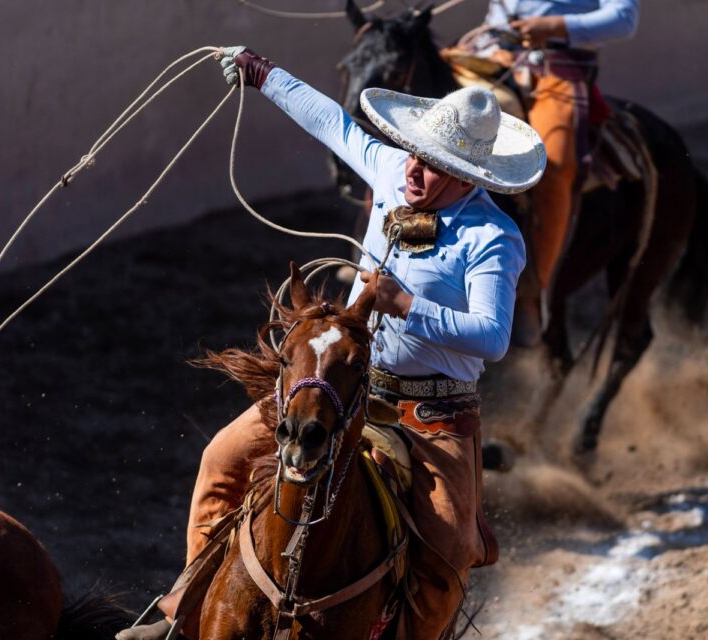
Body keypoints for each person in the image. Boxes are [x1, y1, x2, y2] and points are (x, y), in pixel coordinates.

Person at [119, 46, 544, 640]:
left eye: (434, 166)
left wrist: (407, 306)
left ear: (469, 177)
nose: (414, 171)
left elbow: (493, 337)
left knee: (449, 549)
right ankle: (184, 613)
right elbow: (332, 123)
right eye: (416, 154)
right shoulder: (392, 171)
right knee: (221, 459)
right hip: (344, 384)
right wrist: (264, 75)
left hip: (433, 416)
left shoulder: (493, 238)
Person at [467, 0, 640, 342]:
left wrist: (556, 26)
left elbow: (624, 18)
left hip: (554, 65)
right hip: (485, 54)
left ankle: (531, 293)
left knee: (551, 165)